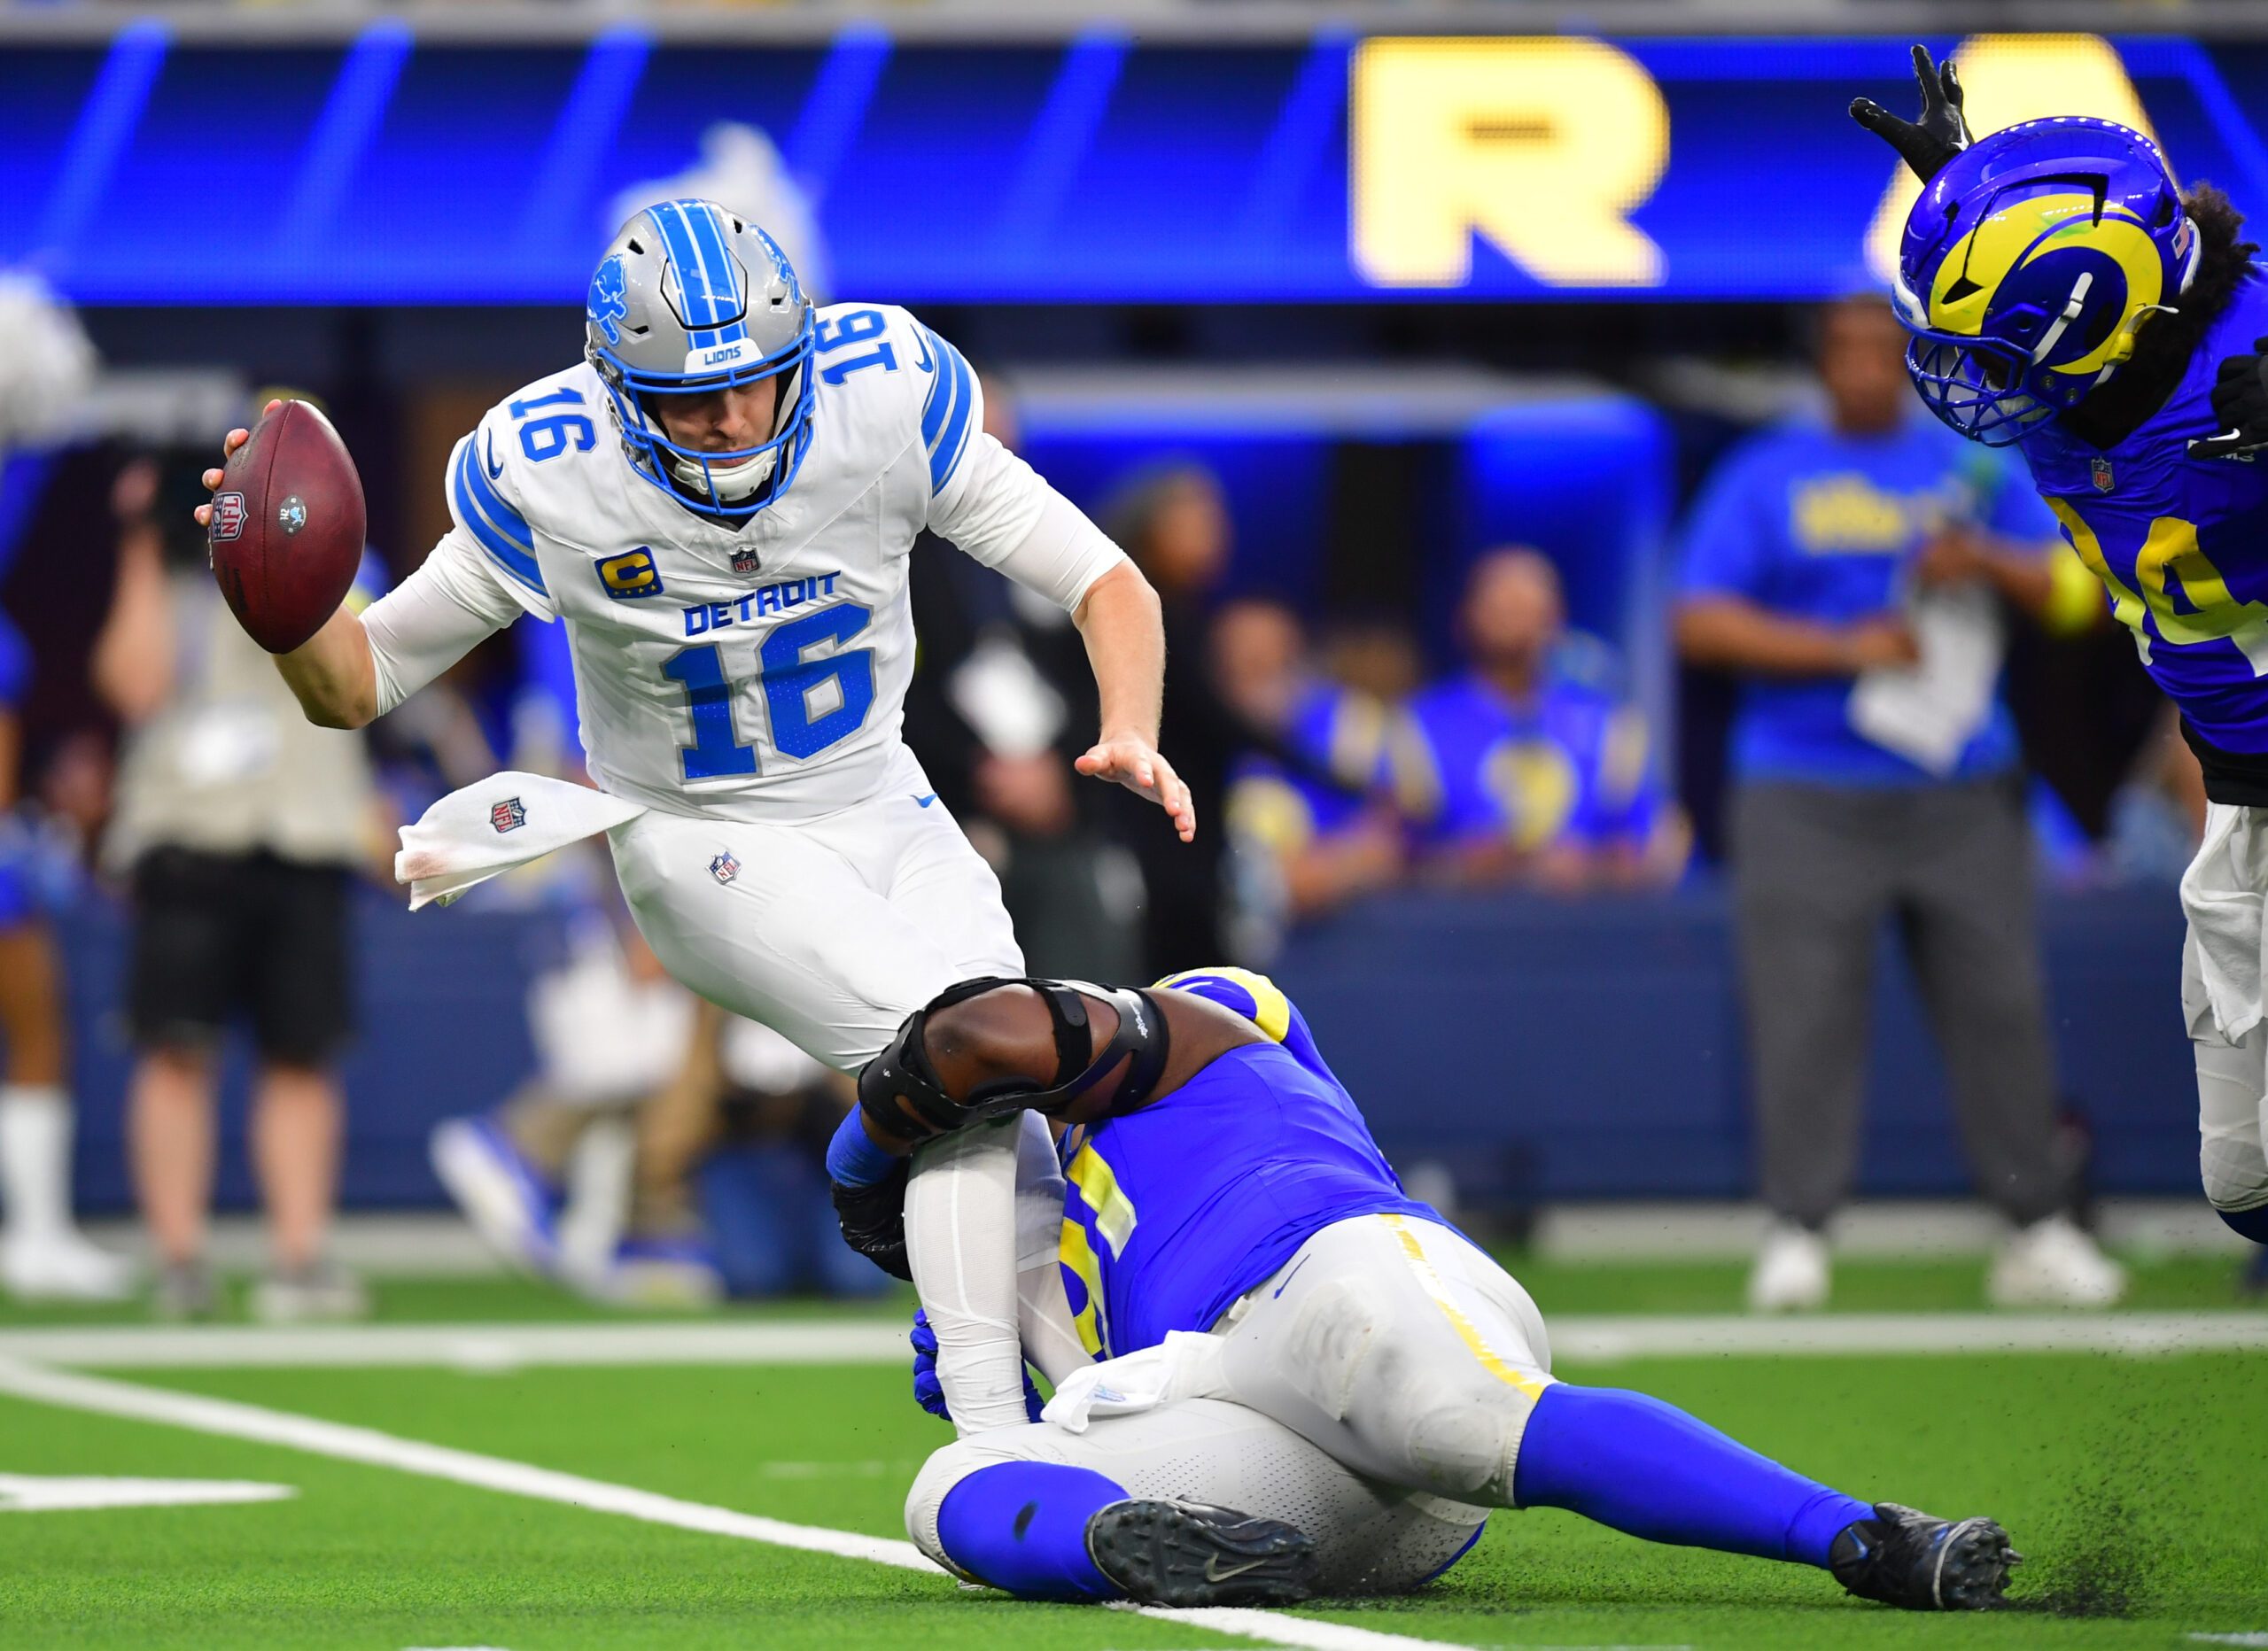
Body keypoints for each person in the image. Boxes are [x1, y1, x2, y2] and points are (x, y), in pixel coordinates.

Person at [194, 203, 1186, 1394]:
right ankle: (996, 1434)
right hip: (697, 832)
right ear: (617, 392)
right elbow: (357, 684)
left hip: (883, 797)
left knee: (1015, 1084)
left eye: (754, 385)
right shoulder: (554, 469)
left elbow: (1105, 579)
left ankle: (1060, 1389)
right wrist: (290, 613)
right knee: (959, 1048)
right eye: (686, 398)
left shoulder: (884, 397)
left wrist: (1130, 725)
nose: (726, 418)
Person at [827, 968, 2017, 1613]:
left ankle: (1862, 1535)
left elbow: (979, 1040)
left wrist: (860, 1161)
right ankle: (1131, 1552)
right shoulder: (1047, 1242)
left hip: (1330, 1279)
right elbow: (986, 1356)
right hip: (1264, 1452)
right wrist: (986, 1314)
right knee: (952, 1489)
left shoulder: (1215, 1034)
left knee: (1455, 1419)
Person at [1852, 47, 2268, 1253]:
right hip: (2239, 792)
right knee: (2247, 1186)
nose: (1967, 386)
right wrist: (1966, 188)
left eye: (1994, 351)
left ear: (2092, 311)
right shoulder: (2096, 357)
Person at [1674, 290, 2124, 1314]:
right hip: (1801, 785)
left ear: (1916, 361)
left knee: (2001, 1008)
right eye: (1849, 349)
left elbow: (2083, 597)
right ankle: (1796, 1230)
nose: (1870, 366)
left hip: (1958, 783)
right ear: (1822, 362)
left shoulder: (1970, 462)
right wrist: (1841, 648)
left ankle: (2035, 1229)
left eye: (1888, 349)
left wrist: (1991, 563)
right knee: (1801, 1019)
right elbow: (1698, 621)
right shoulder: (1766, 472)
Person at [97, 438, 384, 1322]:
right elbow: (133, 685)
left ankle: (299, 1259)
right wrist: (144, 539)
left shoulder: (335, 553)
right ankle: (180, 1257)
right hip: (191, 831)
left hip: (302, 826)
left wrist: (289, 527)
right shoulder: (172, 576)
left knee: (301, 1054)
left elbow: (368, 664)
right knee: (176, 1049)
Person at [1410, 548, 1682, 892]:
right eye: (1501, 606)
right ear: (1465, 618)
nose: (1517, 617)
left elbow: (1658, 849)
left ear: (1557, 619)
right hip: (1452, 932)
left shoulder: (1610, 728)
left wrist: (1593, 867)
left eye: (1529, 607)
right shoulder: (1422, 726)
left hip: (1585, 930)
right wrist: (1467, 864)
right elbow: (1384, 852)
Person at [1213, 597, 1410, 928]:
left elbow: (1391, 834)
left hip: (1337, 928)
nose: (1254, 671)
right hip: (1218, 913)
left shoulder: (1354, 723)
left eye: (1268, 659)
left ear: (1296, 655)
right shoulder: (1187, 726)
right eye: (1241, 662)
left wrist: (1335, 867)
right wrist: (1267, 880)